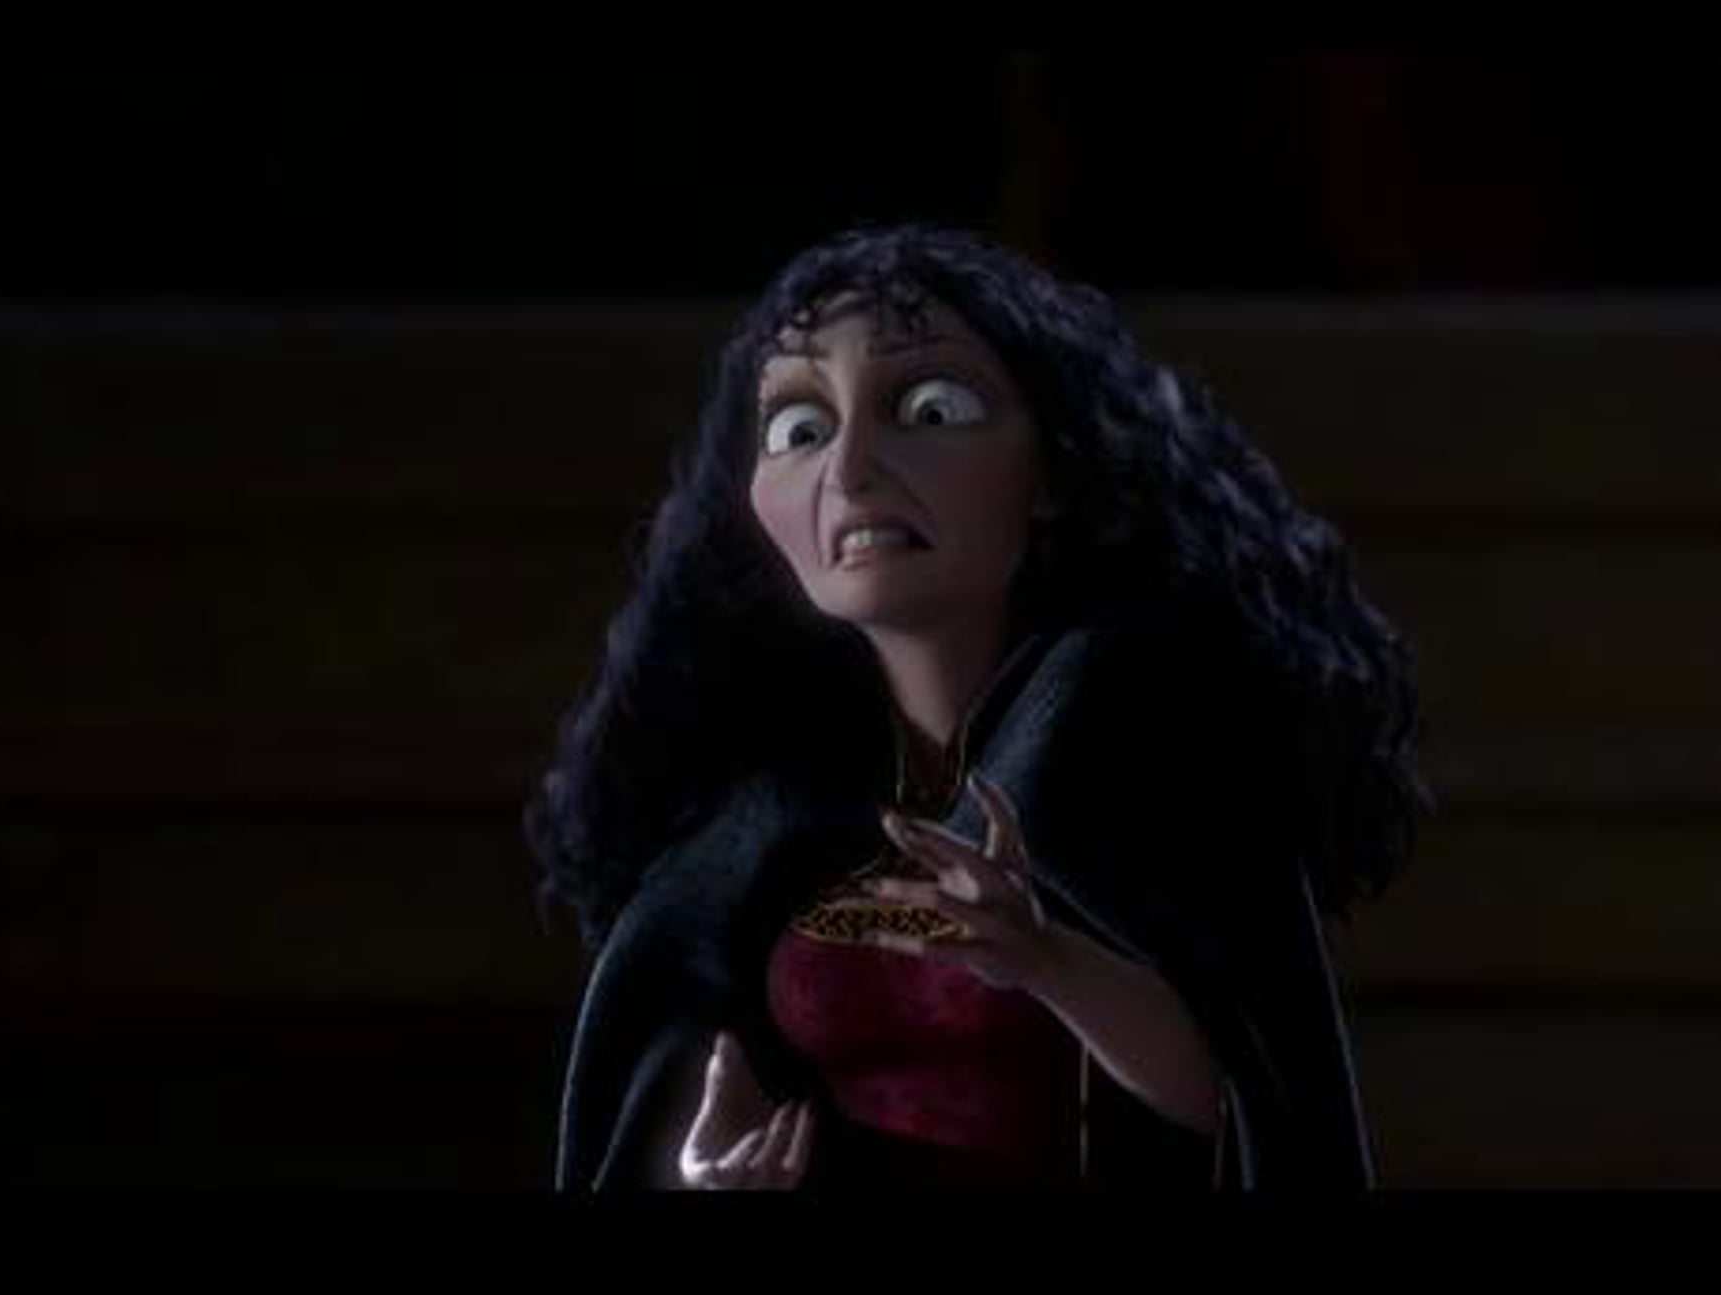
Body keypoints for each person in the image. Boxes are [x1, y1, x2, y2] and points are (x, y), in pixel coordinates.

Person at [524, 224, 1424, 1190]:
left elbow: (1258, 1106)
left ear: (1055, 469)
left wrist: (1043, 959)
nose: (850, 469)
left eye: (932, 408)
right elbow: (689, 1113)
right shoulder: (752, 838)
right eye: (797, 429)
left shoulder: (1149, 774)